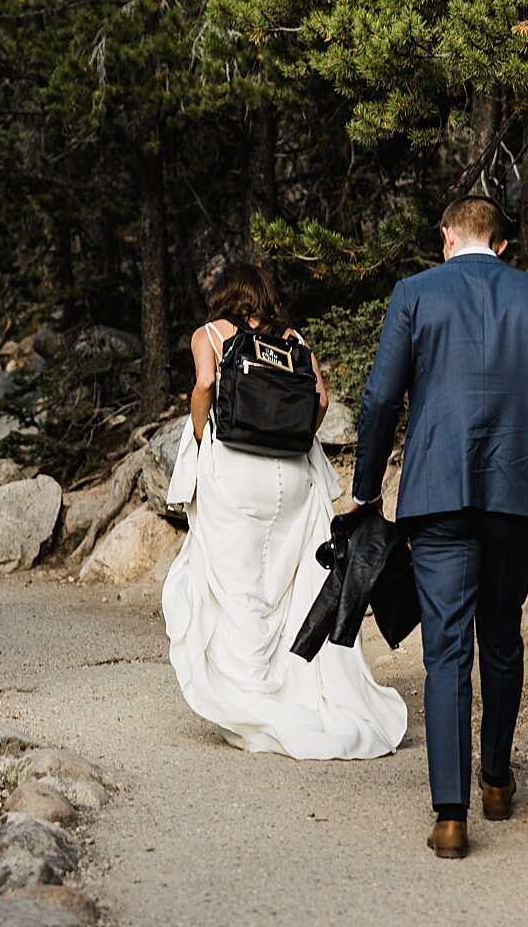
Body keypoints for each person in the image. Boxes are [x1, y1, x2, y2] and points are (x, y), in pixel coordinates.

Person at [353, 195, 528, 858]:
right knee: (502, 636)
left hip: (436, 491)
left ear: (448, 235)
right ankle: (495, 778)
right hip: (517, 490)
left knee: (447, 650)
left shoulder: (414, 293)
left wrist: (365, 489)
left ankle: (452, 816)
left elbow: (380, 397)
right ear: (504, 245)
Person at [162, 263, 407, 760]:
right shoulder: (292, 338)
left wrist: (197, 431)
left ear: (224, 295)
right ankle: (295, 683)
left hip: (235, 473)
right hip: (291, 473)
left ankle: (252, 694)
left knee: (240, 587)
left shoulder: (209, 333)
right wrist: (297, 434)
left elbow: (206, 383)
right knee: (286, 580)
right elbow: (319, 398)